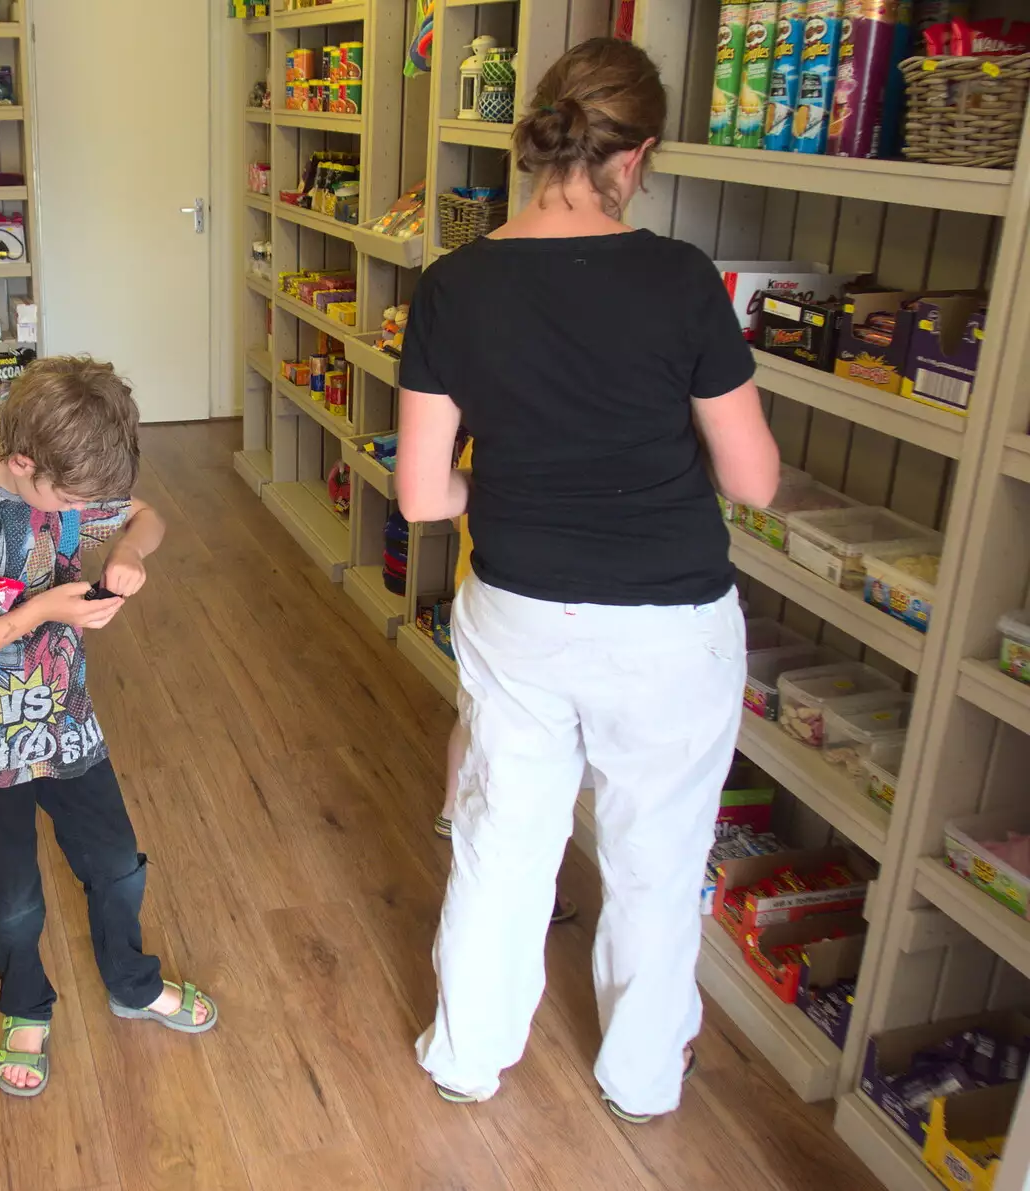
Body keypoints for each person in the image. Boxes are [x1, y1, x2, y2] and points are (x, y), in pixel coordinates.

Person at [395, 37, 779, 1123]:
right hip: (671, 625)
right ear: (637, 152)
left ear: (537, 136)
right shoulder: (680, 280)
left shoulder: (453, 285)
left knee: (502, 843)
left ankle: (468, 1059)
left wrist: (498, 491)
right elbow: (752, 480)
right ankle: (642, 1079)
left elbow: (425, 496)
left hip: (519, 611)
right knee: (657, 863)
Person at [0, 356, 218, 1098]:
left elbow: (145, 515)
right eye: (78, 500)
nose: (86, 508)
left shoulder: (67, 479)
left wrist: (129, 554)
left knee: (115, 861)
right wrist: (41, 611)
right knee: (11, 895)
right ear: (23, 463)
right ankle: (24, 1004)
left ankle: (131, 982)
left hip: (66, 721)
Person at [435, 434, 577, 926]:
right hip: (520, 606)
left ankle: (451, 808)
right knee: (522, 761)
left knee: (472, 717)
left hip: (482, 594)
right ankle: (527, 887)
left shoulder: (485, 442)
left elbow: (452, 510)